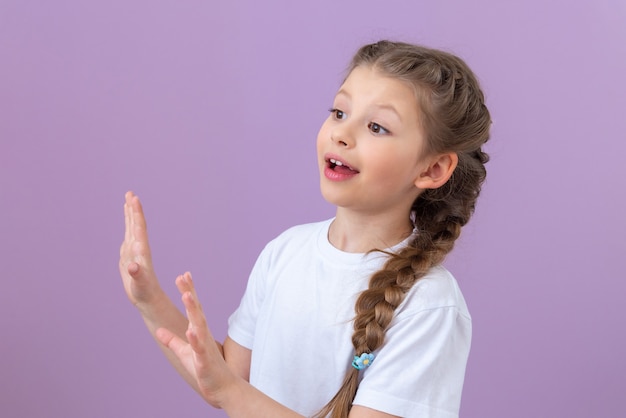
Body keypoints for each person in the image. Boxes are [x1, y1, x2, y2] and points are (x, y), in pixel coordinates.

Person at [119, 40, 491, 418]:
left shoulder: (429, 305)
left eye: (377, 126)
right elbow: (223, 377)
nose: (342, 134)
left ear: (432, 170)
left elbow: (230, 391)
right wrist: (148, 299)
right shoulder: (284, 253)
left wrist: (231, 392)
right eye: (339, 112)